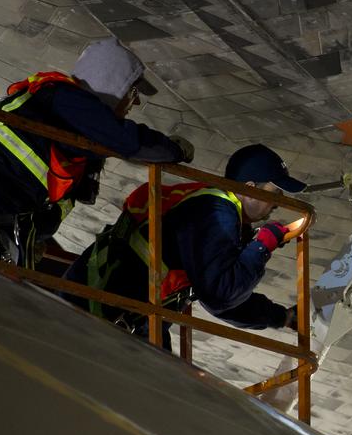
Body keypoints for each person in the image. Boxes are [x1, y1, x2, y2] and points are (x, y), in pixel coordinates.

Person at [0, 37, 194, 266]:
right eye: (132, 91)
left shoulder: (55, 106)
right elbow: (129, 141)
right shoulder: (69, 102)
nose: (137, 101)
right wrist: (175, 150)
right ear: (113, 86)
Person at [61, 143, 305, 345]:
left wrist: (282, 317)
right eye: (275, 193)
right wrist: (261, 247)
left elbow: (217, 296)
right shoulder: (216, 213)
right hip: (100, 310)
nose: (277, 203)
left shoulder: (218, 209)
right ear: (250, 188)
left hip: (122, 312)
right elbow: (220, 293)